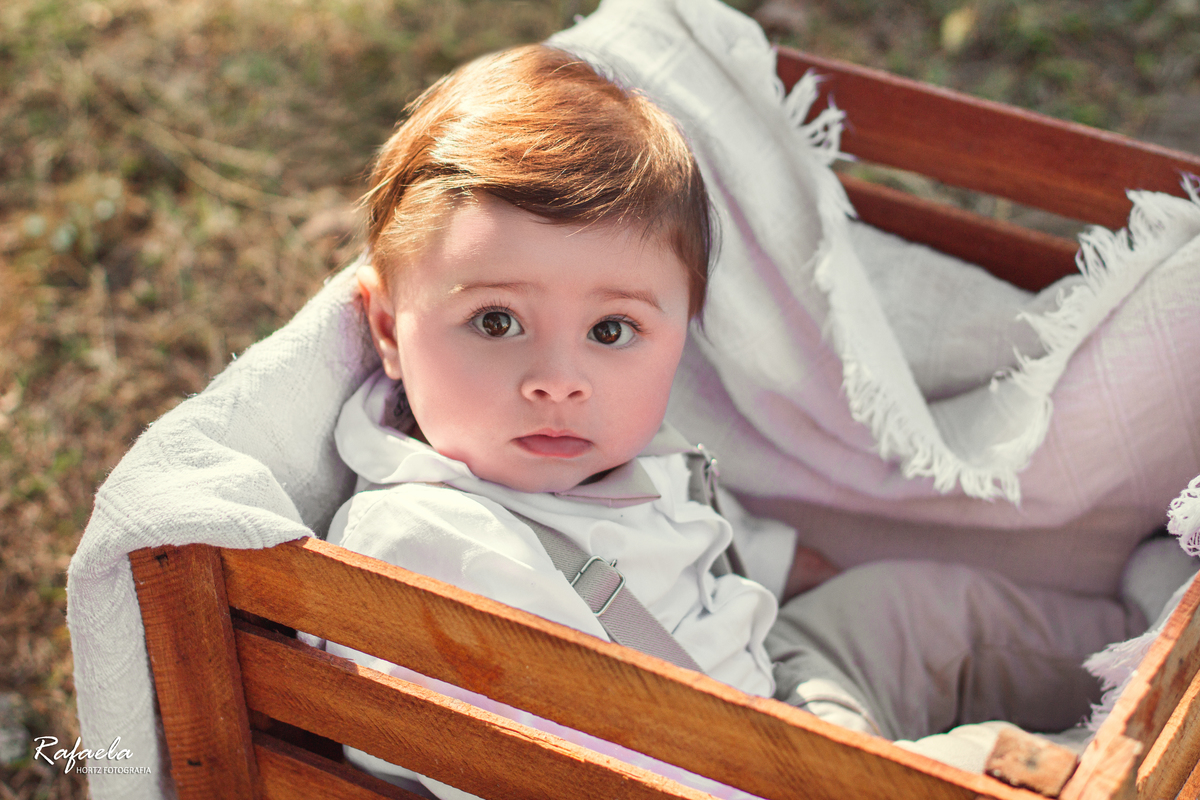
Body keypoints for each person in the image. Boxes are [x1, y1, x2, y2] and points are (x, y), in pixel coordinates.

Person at [325, 42, 1143, 797]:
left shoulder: (595, 453)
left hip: (769, 682)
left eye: (610, 331)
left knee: (919, 609)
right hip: (738, 774)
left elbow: (678, 520)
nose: (559, 382)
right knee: (983, 769)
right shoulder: (426, 547)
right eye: (497, 321)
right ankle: (1090, 754)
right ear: (389, 329)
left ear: (681, 331)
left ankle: (1138, 649)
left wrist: (785, 563)